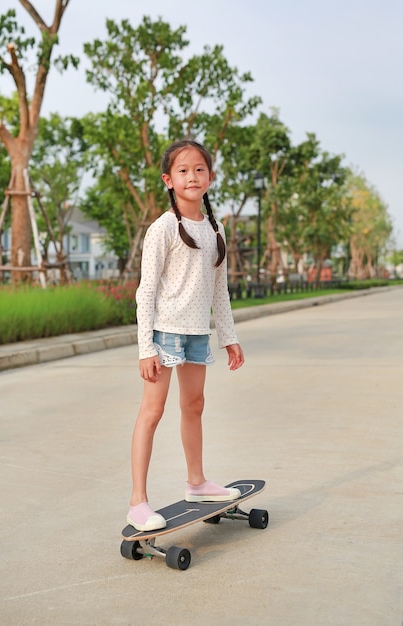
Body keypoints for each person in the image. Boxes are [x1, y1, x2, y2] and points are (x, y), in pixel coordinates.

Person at [127, 139, 245, 532]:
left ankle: (197, 483)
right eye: (183, 170)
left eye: (199, 169)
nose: (192, 176)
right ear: (168, 180)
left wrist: (228, 336)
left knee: (194, 405)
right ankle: (137, 502)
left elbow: (219, 290)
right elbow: (145, 291)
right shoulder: (162, 229)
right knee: (152, 412)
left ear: (210, 177)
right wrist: (146, 348)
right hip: (164, 334)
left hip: (197, 335)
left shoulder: (215, 228)